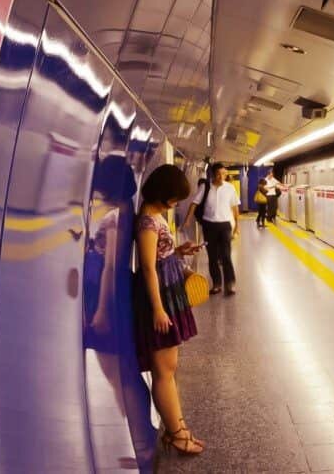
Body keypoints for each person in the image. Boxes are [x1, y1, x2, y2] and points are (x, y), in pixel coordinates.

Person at [132, 164, 205, 456]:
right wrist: (158, 310)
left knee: (169, 368)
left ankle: (178, 428)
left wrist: (179, 251)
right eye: (174, 197)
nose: (176, 202)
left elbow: (160, 258)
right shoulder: (148, 223)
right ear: (162, 193)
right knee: (164, 370)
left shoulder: (157, 217)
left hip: (168, 291)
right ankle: (176, 434)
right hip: (160, 296)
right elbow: (148, 268)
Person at [183, 162, 239, 295]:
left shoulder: (230, 188)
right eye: (219, 174)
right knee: (212, 257)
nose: (221, 177)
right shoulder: (205, 186)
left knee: (226, 255)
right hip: (209, 226)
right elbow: (194, 203)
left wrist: (237, 226)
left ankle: (230, 284)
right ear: (213, 174)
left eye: (224, 174)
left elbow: (235, 207)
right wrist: (187, 219)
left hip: (225, 225)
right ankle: (217, 284)